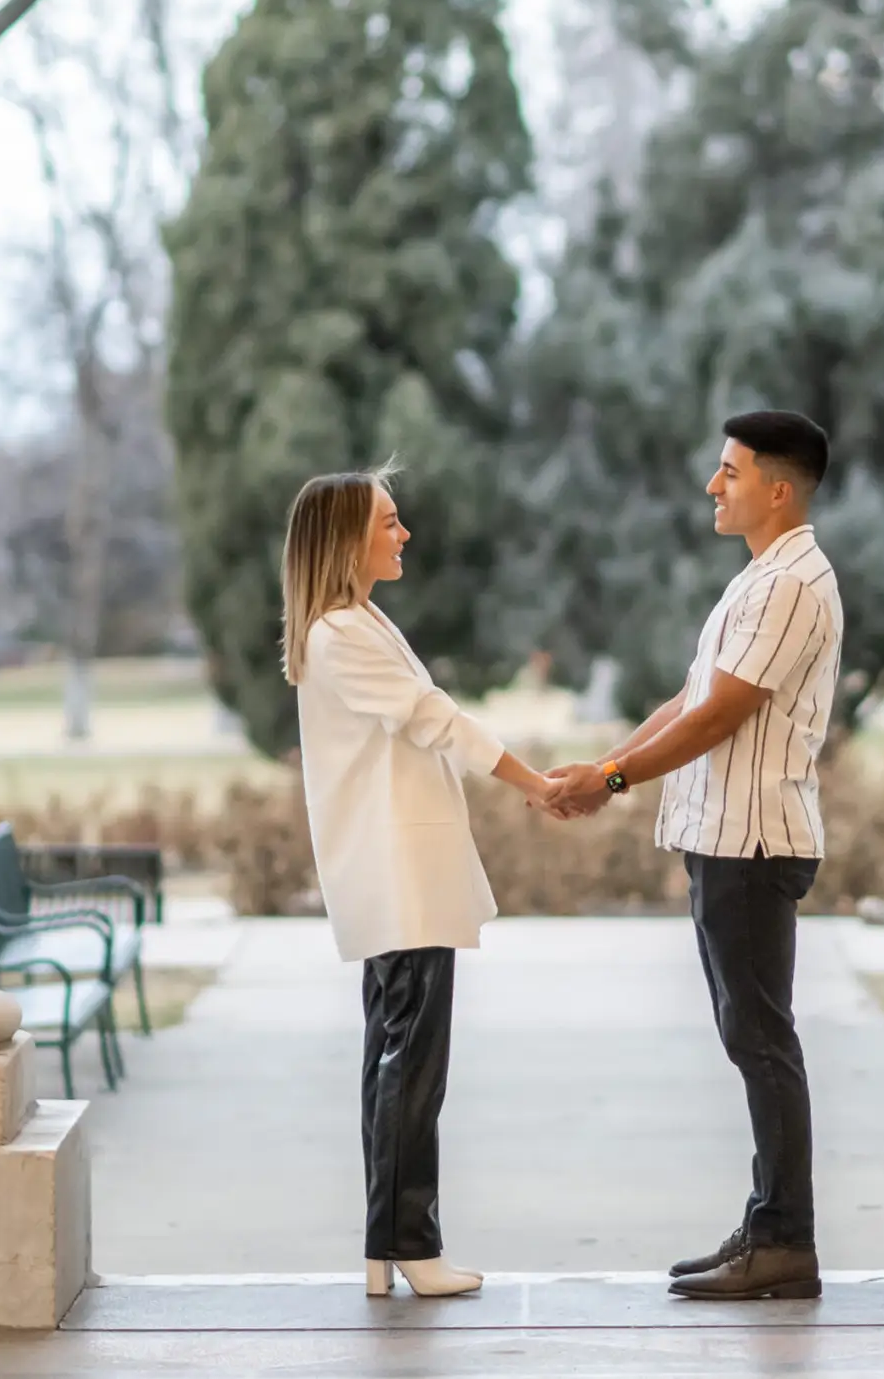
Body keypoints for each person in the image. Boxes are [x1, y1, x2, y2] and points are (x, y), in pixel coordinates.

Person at [548, 410, 843, 1301]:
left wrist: (612, 778)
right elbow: (690, 697)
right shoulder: (762, 579)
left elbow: (721, 716)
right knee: (751, 1037)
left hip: (751, 842)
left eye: (730, 471)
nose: (714, 485)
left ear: (778, 488)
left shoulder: (789, 584)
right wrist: (604, 768)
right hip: (725, 838)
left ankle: (786, 1240)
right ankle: (768, 1222)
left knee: (762, 1041)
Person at [283, 464, 562, 1300]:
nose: (403, 534)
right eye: (389, 521)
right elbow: (431, 715)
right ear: (346, 540)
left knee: (397, 1059)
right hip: (396, 877)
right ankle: (408, 1242)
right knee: (411, 1064)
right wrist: (533, 780)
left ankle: (393, 1242)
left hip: (403, 873)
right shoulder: (339, 631)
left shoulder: (356, 621)